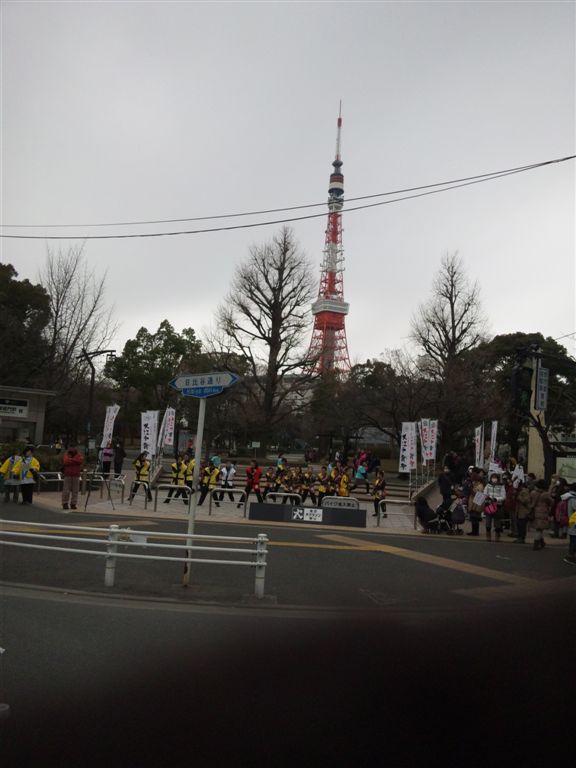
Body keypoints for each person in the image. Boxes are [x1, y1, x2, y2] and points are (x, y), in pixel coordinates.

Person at [529, 479, 553, 550]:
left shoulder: (533, 493)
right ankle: (536, 544)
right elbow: (551, 502)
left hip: (534, 511)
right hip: (543, 512)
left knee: (539, 528)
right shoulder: (545, 494)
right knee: (539, 529)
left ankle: (541, 542)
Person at [483, 471, 506, 541]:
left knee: (497, 522)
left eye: (495, 477)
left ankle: (497, 535)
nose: (494, 479)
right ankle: (488, 535)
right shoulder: (488, 485)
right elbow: (485, 493)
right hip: (489, 505)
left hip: (497, 505)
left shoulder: (501, 486)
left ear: (498, 478)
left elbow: (503, 496)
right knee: (488, 521)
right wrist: (487, 497)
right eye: (493, 477)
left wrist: (496, 499)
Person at [62, 443, 84, 510]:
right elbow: (65, 461)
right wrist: (75, 461)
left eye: (73, 447)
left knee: (75, 490)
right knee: (66, 490)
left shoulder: (79, 455)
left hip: (76, 475)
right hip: (67, 475)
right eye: (71, 447)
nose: (72, 449)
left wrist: (71, 460)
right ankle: (65, 503)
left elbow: (80, 461)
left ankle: (73, 504)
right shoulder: (66, 454)